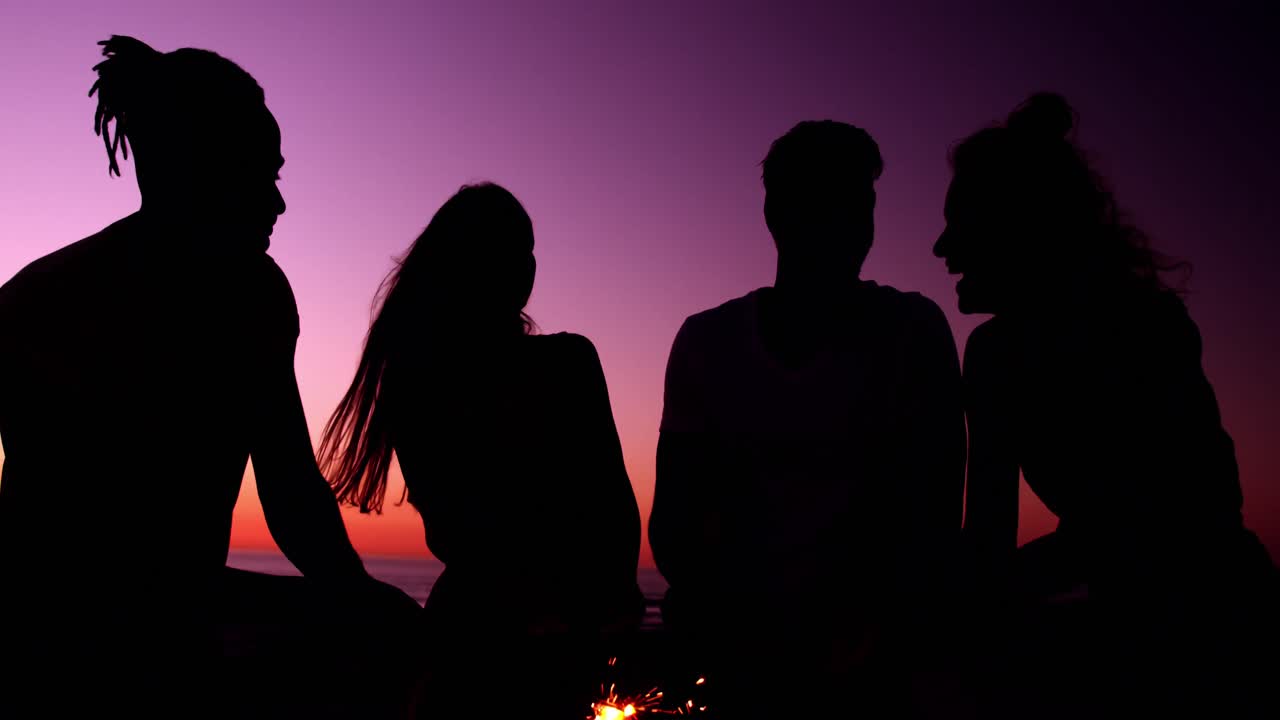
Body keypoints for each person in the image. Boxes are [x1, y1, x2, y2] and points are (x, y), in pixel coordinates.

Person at [0, 36, 414, 713]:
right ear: (196, 168)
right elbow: (288, 493)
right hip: (89, 645)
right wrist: (360, 601)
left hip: (92, 631)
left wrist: (355, 599)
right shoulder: (245, 294)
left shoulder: (32, 296)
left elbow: (289, 495)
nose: (277, 203)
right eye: (261, 173)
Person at [936, 92, 1279, 719]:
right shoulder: (998, 353)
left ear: (1017, 225)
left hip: (1215, 632)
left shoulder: (1135, 329)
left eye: (958, 222)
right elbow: (993, 539)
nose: (940, 247)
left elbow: (1177, 525)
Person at [649, 120, 966, 719]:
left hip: (872, 661)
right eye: (832, 202)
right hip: (739, 654)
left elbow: (933, 513)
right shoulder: (707, 341)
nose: (855, 224)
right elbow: (675, 524)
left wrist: (869, 621)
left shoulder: (914, 331)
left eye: (862, 205)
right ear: (778, 213)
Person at [318, 182, 644, 719]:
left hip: (467, 636)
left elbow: (455, 530)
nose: (531, 267)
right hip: (545, 641)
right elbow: (614, 510)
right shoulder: (566, 364)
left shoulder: (412, 377)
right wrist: (608, 614)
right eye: (519, 250)